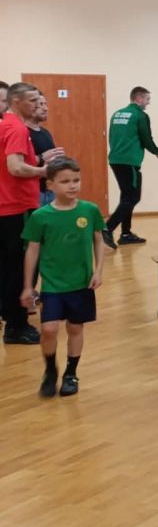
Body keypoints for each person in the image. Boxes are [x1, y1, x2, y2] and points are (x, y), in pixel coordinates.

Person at [20, 157, 105, 397]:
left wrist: (98, 271)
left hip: (81, 283)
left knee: (75, 328)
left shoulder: (90, 210)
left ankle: (71, 373)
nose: (72, 185)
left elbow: (99, 240)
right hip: (52, 285)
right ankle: (50, 370)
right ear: (50, 185)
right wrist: (28, 286)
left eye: (76, 180)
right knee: (48, 329)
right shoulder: (40, 216)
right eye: (65, 181)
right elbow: (32, 250)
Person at [2, 83, 57, 344]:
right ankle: (16, 326)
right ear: (17, 102)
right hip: (17, 206)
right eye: (33, 100)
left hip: (10, 206)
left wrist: (38, 161)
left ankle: (11, 316)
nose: (38, 104)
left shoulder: (6, 125)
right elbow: (15, 167)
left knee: (9, 265)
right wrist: (44, 171)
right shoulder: (16, 128)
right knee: (19, 267)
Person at [103, 85, 158, 249]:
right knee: (132, 197)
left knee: (126, 197)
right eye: (147, 99)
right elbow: (146, 138)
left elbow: (112, 136)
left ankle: (126, 234)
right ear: (139, 98)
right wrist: (157, 152)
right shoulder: (140, 115)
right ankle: (107, 229)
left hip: (115, 159)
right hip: (129, 162)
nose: (148, 102)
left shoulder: (117, 114)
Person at [25, 93, 56, 206]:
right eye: (41, 104)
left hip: (50, 190)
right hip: (32, 191)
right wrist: (41, 158)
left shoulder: (45, 132)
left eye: (45, 104)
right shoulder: (22, 132)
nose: (45, 108)